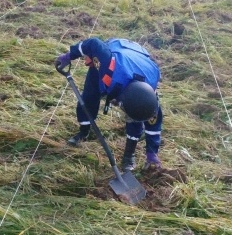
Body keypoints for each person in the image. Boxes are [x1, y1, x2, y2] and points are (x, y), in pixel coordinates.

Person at [55, 37, 163, 171]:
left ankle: (129, 155)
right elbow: (93, 43)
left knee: (135, 120)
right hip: (116, 51)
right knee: (89, 96)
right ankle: (83, 132)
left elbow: (153, 123)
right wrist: (69, 55)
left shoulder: (149, 94)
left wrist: (152, 153)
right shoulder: (108, 64)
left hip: (139, 58)